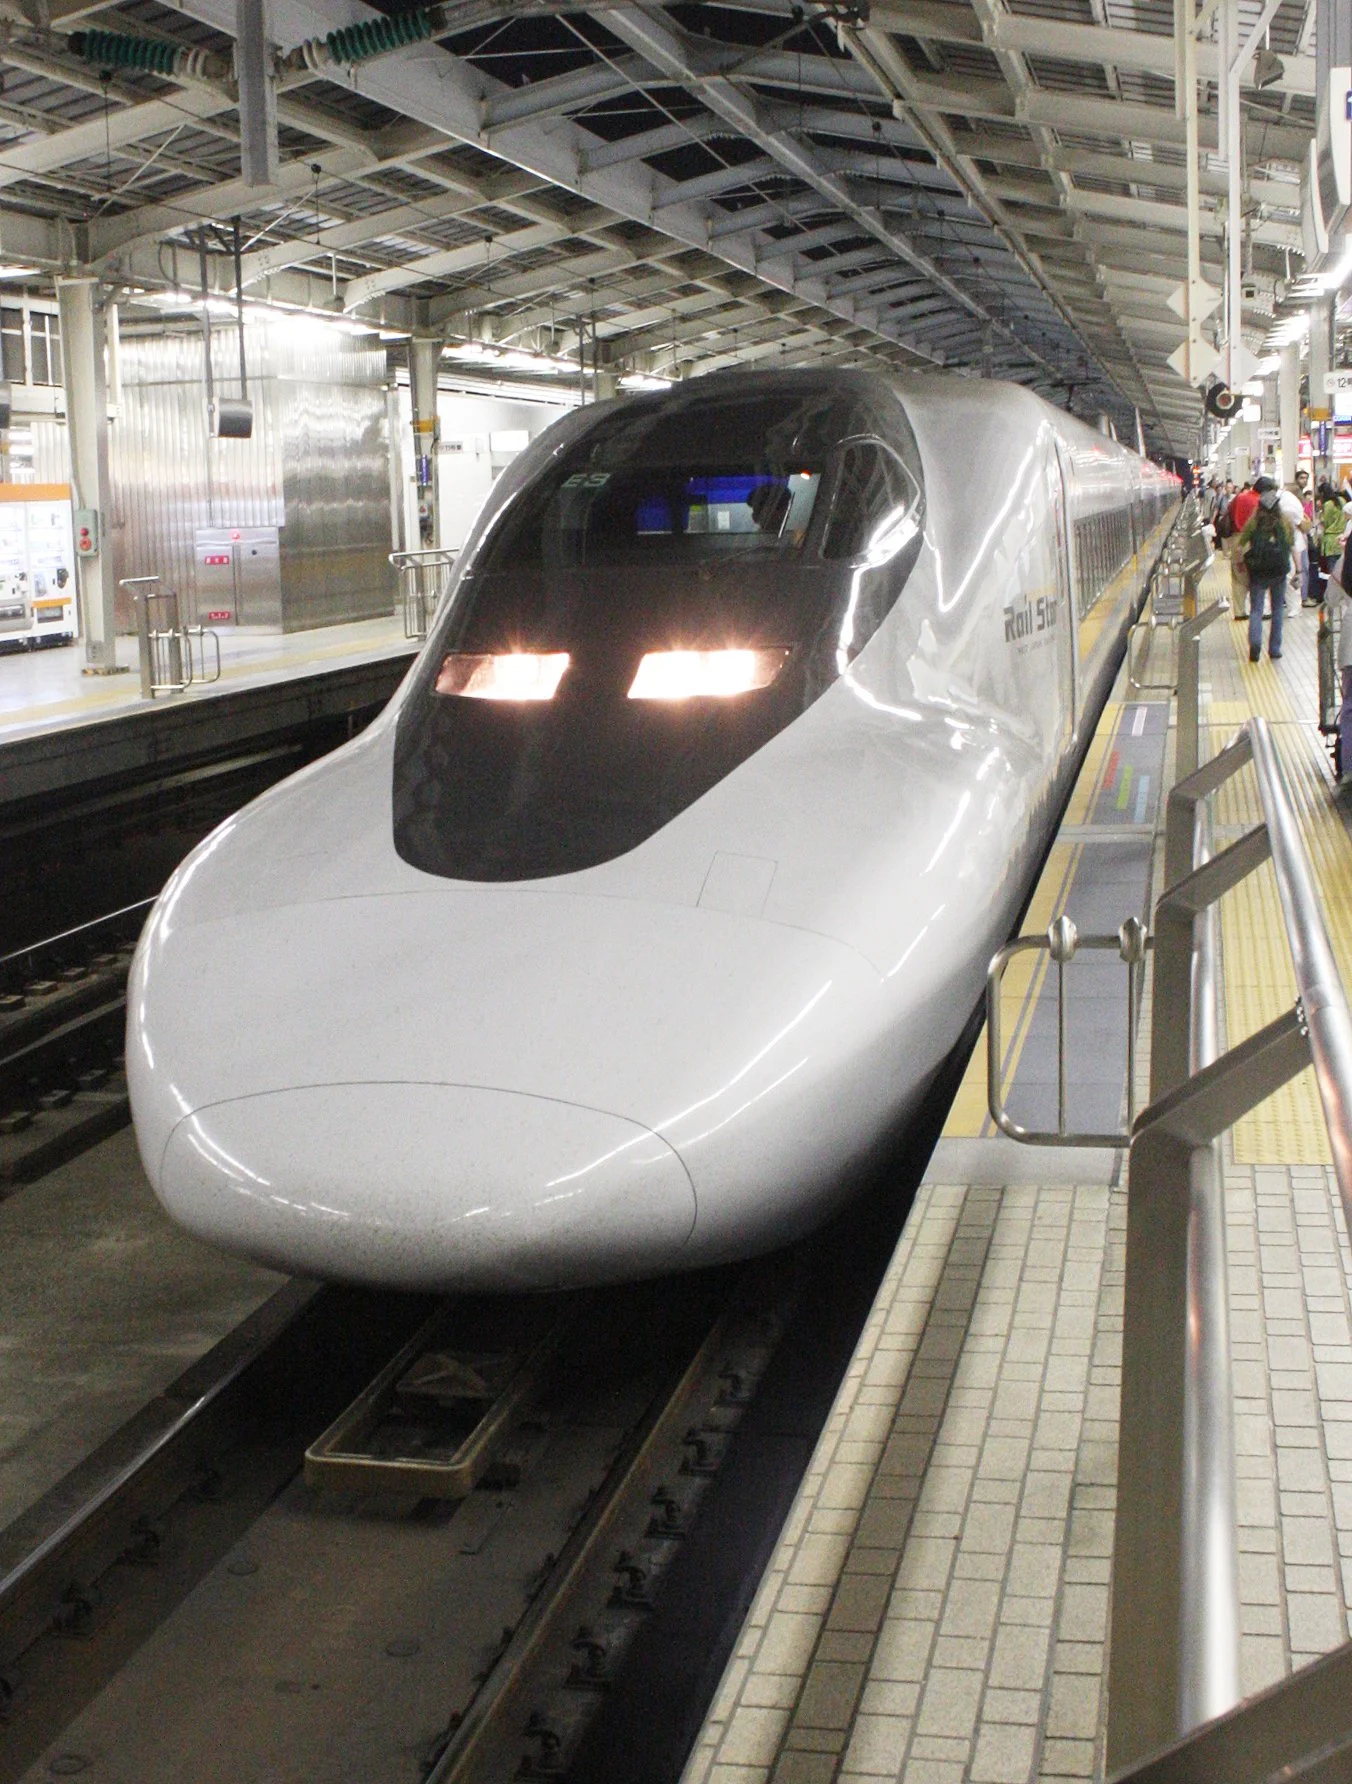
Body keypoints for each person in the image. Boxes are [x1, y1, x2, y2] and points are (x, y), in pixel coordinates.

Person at [1236, 476, 1293, 662]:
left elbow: (1240, 544)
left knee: (1256, 610)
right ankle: (1275, 649)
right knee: (1277, 610)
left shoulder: (1254, 522)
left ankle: (1255, 647)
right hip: (1279, 571)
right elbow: (1290, 545)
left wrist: (1240, 563)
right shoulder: (1284, 522)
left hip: (1258, 571)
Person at [1326, 541, 1352, 786]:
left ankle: (1350, 768)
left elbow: (1330, 599)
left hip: (1350, 647)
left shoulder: (1345, 562)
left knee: (1351, 708)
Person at [1226, 480, 1259, 618]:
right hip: (1250, 540)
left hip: (1235, 540)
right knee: (1255, 576)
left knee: (1238, 576)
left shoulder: (1237, 498)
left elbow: (1228, 512)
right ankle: (1257, 609)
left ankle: (1239, 612)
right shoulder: (1258, 501)